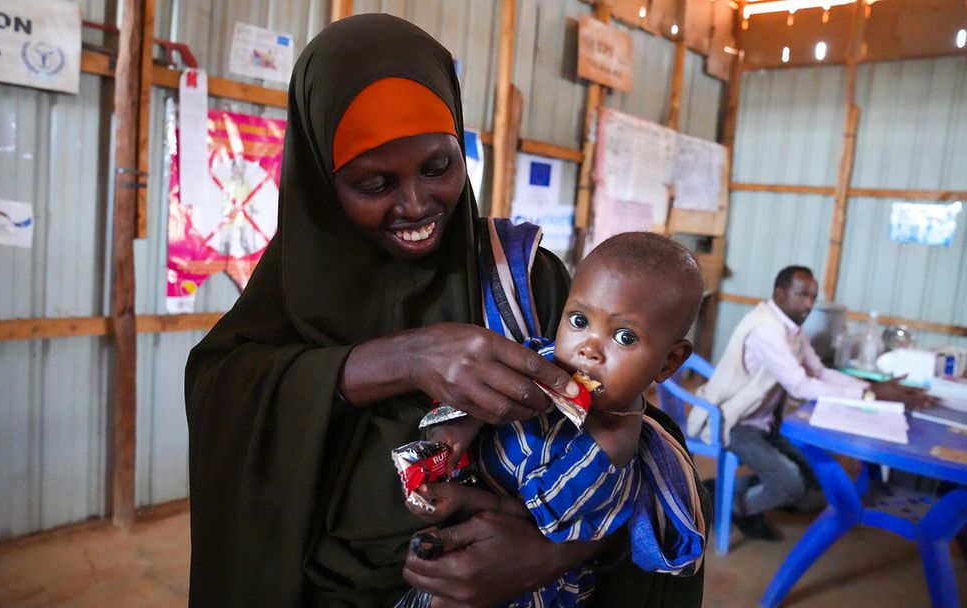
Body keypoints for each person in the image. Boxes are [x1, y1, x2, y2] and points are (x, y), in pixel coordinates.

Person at [185, 13, 707, 607]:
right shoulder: (290, 293)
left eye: (439, 167)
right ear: (322, 185)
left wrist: (554, 553)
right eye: (374, 184)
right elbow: (225, 404)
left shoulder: (522, 276)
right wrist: (405, 358)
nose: (416, 206)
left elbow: (631, 434)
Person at [403, 232, 708, 607]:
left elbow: (529, 523)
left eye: (624, 337)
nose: (589, 348)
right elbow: (483, 397)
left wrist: (458, 499)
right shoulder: (543, 360)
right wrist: (455, 432)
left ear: (668, 362)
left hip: (521, 580)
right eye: (579, 319)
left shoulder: (607, 449)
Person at [686, 265, 933, 541]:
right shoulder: (767, 330)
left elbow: (819, 372)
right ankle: (724, 505)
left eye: (812, 297)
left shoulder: (792, 329)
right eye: (802, 295)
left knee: (816, 483)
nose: (808, 304)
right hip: (735, 422)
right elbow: (800, 385)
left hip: (767, 422)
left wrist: (870, 387)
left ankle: (720, 489)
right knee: (791, 484)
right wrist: (869, 395)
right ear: (779, 294)